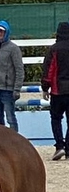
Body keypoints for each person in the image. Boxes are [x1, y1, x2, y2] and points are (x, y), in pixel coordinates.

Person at [0, 20, 24, 132]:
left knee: (10, 118)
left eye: (2, 31)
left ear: (6, 32)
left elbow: (19, 69)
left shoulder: (14, 49)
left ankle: (15, 142)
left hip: (8, 90)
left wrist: (16, 89)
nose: (0, 33)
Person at [41, 21, 69, 160]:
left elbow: (49, 70)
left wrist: (45, 87)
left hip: (58, 90)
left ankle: (59, 146)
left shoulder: (54, 49)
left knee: (56, 118)